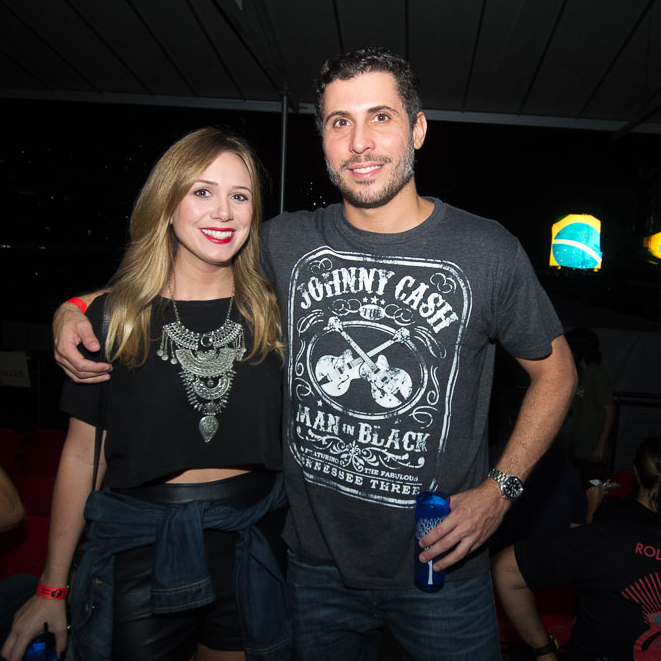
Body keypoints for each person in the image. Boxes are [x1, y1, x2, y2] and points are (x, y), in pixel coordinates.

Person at [51, 47, 576, 660]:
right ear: (323, 139)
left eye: (380, 117)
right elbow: (179, 279)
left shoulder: (486, 249)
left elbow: (557, 374)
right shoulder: (284, 242)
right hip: (310, 567)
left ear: (418, 129)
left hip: (440, 567)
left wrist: (500, 491)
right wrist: (74, 307)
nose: (360, 142)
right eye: (339, 122)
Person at [1, 128, 290, 661]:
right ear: (167, 204)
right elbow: (83, 455)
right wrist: (52, 586)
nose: (223, 211)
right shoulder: (115, 319)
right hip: (140, 546)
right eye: (202, 191)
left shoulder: (278, 313)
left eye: (239, 195)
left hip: (252, 541)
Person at [492, 436, 661, 661]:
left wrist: (544, 653)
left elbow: (507, 569)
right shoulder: (575, 482)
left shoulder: (610, 524)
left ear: (636, 472)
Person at [564, 327, 615, 487]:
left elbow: (609, 410)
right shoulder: (582, 374)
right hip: (579, 446)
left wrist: (600, 446)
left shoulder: (596, 374)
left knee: (593, 490)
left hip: (591, 449)